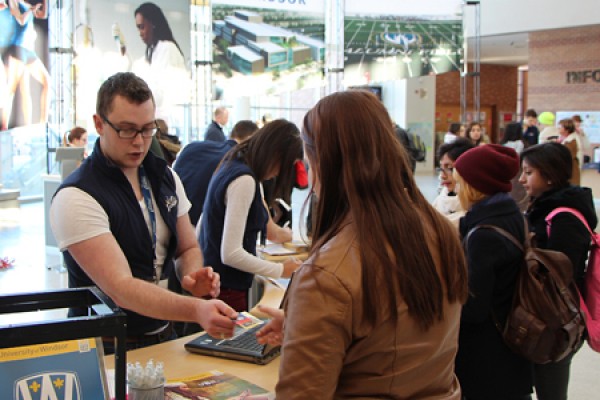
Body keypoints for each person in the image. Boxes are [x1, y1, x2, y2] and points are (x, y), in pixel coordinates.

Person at [256, 90, 468, 398]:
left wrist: (310, 321)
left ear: (324, 165)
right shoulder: (439, 231)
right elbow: (398, 340)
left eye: (309, 164)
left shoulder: (326, 275)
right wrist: (303, 329)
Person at [49, 72, 237, 352]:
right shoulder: (76, 196)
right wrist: (196, 309)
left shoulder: (165, 177)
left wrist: (193, 275)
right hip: (106, 350)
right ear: (99, 124)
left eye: (147, 129)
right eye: (127, 129)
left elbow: (187, 247)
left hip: (164, 337)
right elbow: (121, 288)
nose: (139, 141)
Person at [453, 144, 534, 400]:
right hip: (513, 344)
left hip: (487, 358)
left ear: (474, 186)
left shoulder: (483, 235)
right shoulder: (514, 216)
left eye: (459, 182)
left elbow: (474, 309)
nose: (455, 189)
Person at [519, 142, 597, 400]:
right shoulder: (543, 206)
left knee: (551, 387)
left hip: (557, 317)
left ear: (550, 175)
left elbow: (563, 271)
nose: (522, 179)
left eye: (529, 172)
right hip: (546, 312)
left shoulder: (564, 216)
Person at [199, 119, 304, 312]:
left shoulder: (232, 163)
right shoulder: (244, 180)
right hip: (227, 289)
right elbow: (230, 254)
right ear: (277, 155)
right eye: (285, 165)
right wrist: (281, 270)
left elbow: (203, 223)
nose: (278, 174)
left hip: (216, 283)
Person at [174, 120, 258, 227]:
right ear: (252, 139)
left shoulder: (191, 147)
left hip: (174, 220)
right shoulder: (237, 163)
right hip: (202, 228)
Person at [131, 2, 189, 123]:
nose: (140, 33)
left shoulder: (167, 48)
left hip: (167, 121)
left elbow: (160, 93)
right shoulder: (153, 51)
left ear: (153, 24)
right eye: (138, 28)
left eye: (142, 27)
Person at [2, 0, 50, 129]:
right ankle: (4, 125)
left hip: (29, 50)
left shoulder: (25, 3)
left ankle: (43, 122)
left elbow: (43, 15)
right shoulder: (13, 2)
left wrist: (45, 3)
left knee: (46, 81)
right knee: (13, 88)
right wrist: (30, 11)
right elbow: (21, 20)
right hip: (18, 48)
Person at [432, 137, 474, 227]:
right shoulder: (441, 199)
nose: (442, 175)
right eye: (441, 168)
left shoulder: (474, 212)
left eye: (450, 168)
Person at [557, 118, 581, 186]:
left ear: (567, 129)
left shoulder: (571, 141)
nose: (558, 129)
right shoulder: (562, 139)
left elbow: (567, 156)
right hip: (566, 168)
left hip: (570, 169)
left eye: (560, 127)